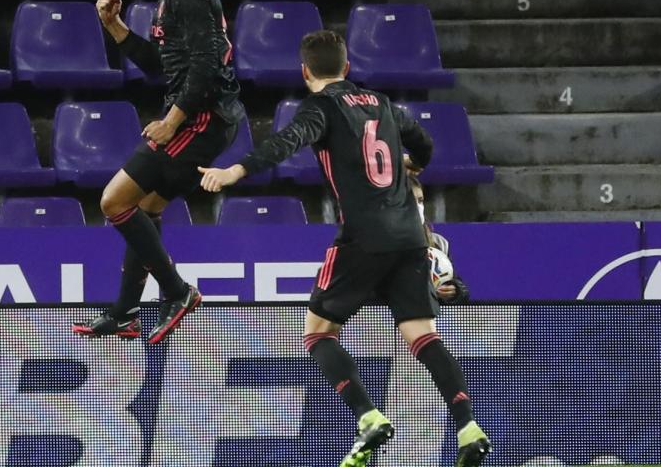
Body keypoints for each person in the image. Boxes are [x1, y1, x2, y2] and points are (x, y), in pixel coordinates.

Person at [198, 30, 490, 467]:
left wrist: (235, 170)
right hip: (412, 236)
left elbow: (285, 143)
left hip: (363, 236)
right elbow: (424, 143)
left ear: (305, 72)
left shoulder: (321, 107)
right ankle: (469, 426)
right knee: (422, 334)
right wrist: (416, 164)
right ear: (347, 68)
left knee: (317, 332)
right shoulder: (383, 104)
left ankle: (369, 417)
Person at [72, 0, 244, 344]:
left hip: (202, 120)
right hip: (203, 118)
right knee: (145, 207)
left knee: (113, 202)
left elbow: (205, 68)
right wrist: (114, 27)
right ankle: (126, 312)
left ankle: (177, 291)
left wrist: (171, 122)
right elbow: (162, 65)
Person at [409, 174, 470, 305]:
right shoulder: (377, 243)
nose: (418, 207)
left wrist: (455, 290)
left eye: (420, 200)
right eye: (410, 201)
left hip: (427, 319)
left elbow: (457, 286)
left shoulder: (439, 243)